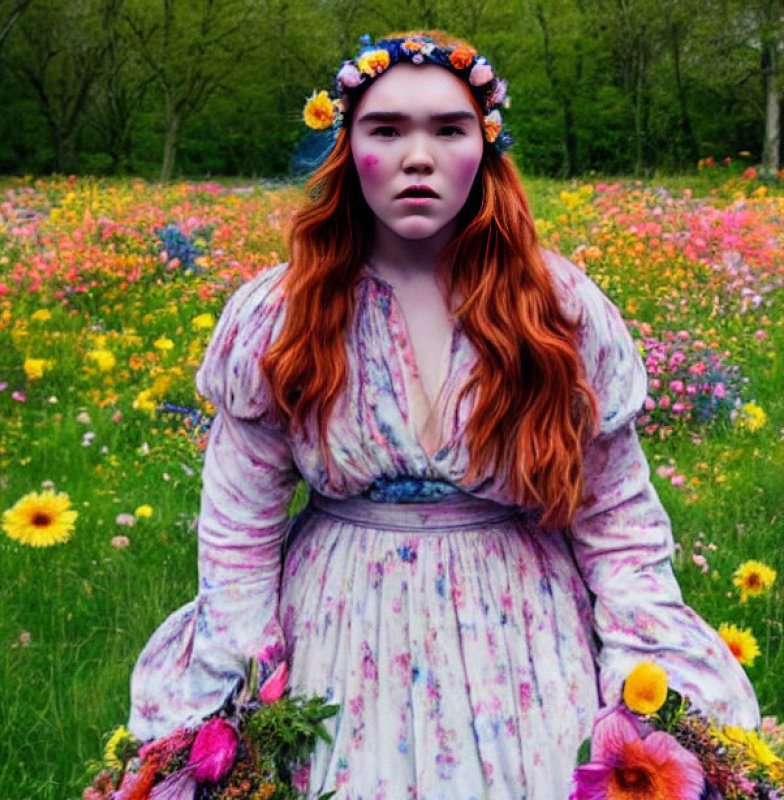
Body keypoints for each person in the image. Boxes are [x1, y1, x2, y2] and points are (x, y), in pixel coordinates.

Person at [127, 31, 760, 799]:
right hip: (340, 634)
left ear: (484, 150)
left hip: (523, 638)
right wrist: (243, 679)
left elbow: (618, 517)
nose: (416, 157)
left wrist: (641, 665)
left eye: (448, 130)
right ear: (346, 146)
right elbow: (238, 527)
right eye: (386, 129)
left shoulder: (557, 309)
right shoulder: (283, 313)